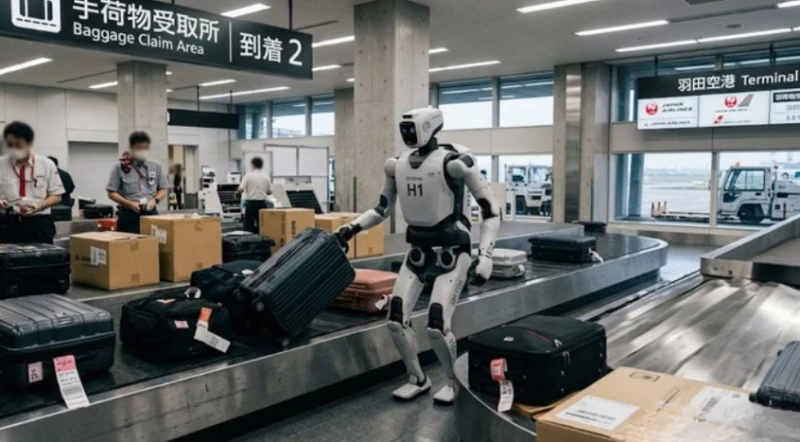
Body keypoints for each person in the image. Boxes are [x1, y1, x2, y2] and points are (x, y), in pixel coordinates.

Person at [335, 108, 500, 405]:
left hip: (453, 251)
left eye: (412, 128)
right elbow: (382, 208)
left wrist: (486, 254)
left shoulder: (456, 163)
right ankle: (417, 378)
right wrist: (351, 228)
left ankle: (451, 382)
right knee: (396, 320)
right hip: (418, 249)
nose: (408, 134)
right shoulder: (396, 165)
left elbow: (491, 210)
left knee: (437, 324)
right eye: (405, 128)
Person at [0, 121, 65, 244]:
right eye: (10, 145)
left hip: (39, 224)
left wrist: (40, 205)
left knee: (43, 256)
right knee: (7, 256)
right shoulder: (1, 164)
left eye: (18, 145)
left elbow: (57, 196)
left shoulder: (46, 164)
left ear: (29, 143)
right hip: (8, 223)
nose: (13, 149)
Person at [106, 131, 168, 234]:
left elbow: (162, 189)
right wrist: (130, 204)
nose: (142, 151)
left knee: (153, 242)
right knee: (128, 243)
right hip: (128, 215)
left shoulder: (156, 166)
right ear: (131, 148)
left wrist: (154, 200)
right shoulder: (120, 167)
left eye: (145, 148)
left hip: (151, 213)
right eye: (139, 148)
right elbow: (111, 193)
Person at [236, 156, 273, 233]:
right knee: (262, 224)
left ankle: (248, 238)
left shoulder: (248, 176)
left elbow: (241, 189)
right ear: (261, 165)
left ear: (253, 165)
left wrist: (237, 193)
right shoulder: (266, 177)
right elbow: (269, 192)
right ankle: (261, 238)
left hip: (251, 204)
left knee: (248, 224)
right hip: (262, 203)